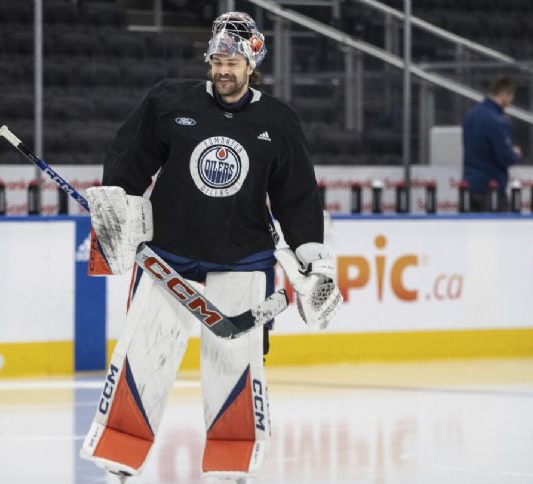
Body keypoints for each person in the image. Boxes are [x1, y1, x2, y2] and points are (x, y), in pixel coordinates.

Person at [79, 12, 341, 482]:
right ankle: (119, 458)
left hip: (242, 260)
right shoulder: (169, 101)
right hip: (167, 259)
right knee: (144, 356)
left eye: (233, 61)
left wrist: (313, 257)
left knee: (233, 365)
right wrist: (117, 204)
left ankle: (232, 460)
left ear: (253, 63)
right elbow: (128, 158)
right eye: (217, 59)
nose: (223, 69)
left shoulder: (278, 121)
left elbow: (297, 197)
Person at [462, 75, 522, 212]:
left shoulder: (470, 115)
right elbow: (504, 157)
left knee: (472, 231)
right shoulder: (498, 121)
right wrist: (514, 153)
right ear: (504, 94)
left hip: (470, 185)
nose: (511, 101)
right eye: (511, 96)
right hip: (491, 188)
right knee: (496, 232)